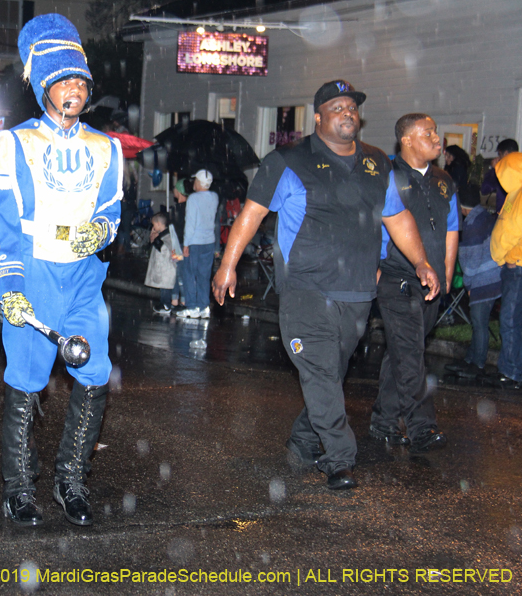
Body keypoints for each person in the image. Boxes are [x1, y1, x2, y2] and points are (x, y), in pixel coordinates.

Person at [211, 80, 439, 490]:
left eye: (352, 106)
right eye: (337, 107)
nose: (347, 112)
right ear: (318, 117)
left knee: (328, 375)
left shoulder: (376, 164)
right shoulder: (288, 160)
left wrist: (421, 261)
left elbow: (398, 218)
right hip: (305, 289)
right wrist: (228, 264)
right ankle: (338, 457)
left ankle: (303, 441)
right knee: (319, 370)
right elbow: (253, 212)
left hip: (356, 292)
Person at [0, 13, 123, 526]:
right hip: (35, 271)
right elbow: (1, 221)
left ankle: (71, 482)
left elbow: (111, 210)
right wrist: (11, 285)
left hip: (84, 278)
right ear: (44, 86)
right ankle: (19, 486)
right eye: (64, 80)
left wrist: (102, 231)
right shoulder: (16, 142)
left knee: (93, 370)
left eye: (81, 82)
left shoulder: (107, 147)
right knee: (25, 378)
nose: (74, 90)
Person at [371, 114, 459, 452]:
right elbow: (375, 222)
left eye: (436, 131)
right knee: (411, 355)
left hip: (432, 281)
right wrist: (376, 266)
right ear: (407, 140)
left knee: (403, 352)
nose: (437, 138)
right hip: (398, 279)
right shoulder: (386, 176)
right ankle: (422, 426)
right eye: (428, 133)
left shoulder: (444, 180)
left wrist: (447, 273)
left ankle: (383, 422)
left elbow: (452, 228)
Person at [446, 189, 501, 378]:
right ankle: (470, 359)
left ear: (462, 208)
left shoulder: (472, 224)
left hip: (483, 280)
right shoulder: (483, 216)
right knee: (479, 323)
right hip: (493, 276)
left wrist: (468, 285)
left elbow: (471, 262)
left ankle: (477, 365)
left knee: (479, 323)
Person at [489, 152, 522, 387]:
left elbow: (514, 232)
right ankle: (511, 368)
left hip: (517, 266)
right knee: (513, 320)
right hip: (512, 266)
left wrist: (508, 258)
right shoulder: (515, 192)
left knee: (510, 320)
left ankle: (511, 372)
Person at [175, 169, 218, 319]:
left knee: (189, 274)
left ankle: (192, 306)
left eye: (195, 181)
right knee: (204, 275)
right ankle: (203, 306)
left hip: (195, 242)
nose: (193, 183)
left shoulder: (193, 199)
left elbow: (190, 223)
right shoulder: (214, 197)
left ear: (199, 183)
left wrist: (186, 244)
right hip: (209, 242)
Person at [145, 211, 179, 314]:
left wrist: (155, 240)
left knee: (165, 287)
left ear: (159, 224)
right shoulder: (162, 235)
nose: (153, 227)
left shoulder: (167, 236)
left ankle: (166, 305)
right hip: (163, 268)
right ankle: (164, 303)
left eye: (154, 224)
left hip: (166, 268)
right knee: (163, 286)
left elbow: (165, 249)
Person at [481, 139, 518, 212]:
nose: (498, 158)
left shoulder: (504, 172)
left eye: (499, 154)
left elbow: (485, 189)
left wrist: (494, 170)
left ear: (506, 154)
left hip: (504, 212)